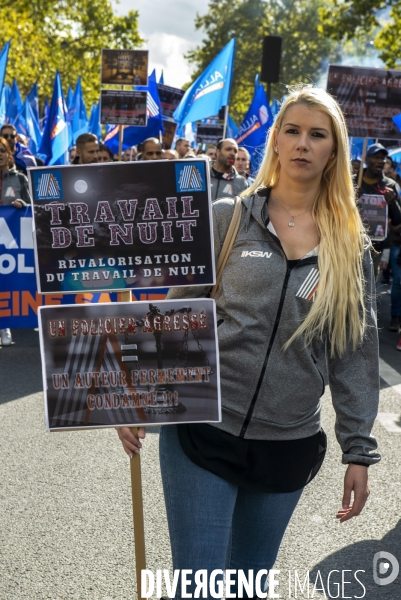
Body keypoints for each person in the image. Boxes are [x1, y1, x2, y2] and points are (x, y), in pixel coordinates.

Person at [116, 86, 380, 598]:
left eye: (317, 135)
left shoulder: (351, 250)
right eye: (293, 131)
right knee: (200, 585)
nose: (303, 143)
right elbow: (174, 314)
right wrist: (137, 394)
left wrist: (359, 451)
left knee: (247, 585)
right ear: (276, 141)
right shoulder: (227, 217)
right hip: (203, 429)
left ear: (333, 151)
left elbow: (354, 356)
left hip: (288, 444)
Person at [358, 143, 401, 331]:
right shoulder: (355, 181)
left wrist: (392, 203)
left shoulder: (390, 186)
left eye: (383, 158)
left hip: (375, 247)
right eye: (376, 157)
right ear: (366, 159)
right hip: (349, 242)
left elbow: (398, 222)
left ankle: (361, 325)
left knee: (367, 286)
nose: (380, 161)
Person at [0, 137, 31, 346]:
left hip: (11, 242)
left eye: (2, 151)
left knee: (7, 284)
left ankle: (5, 327)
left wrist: (21, 203)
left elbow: (32, 206)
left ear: (8, 154)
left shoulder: (20, 179)